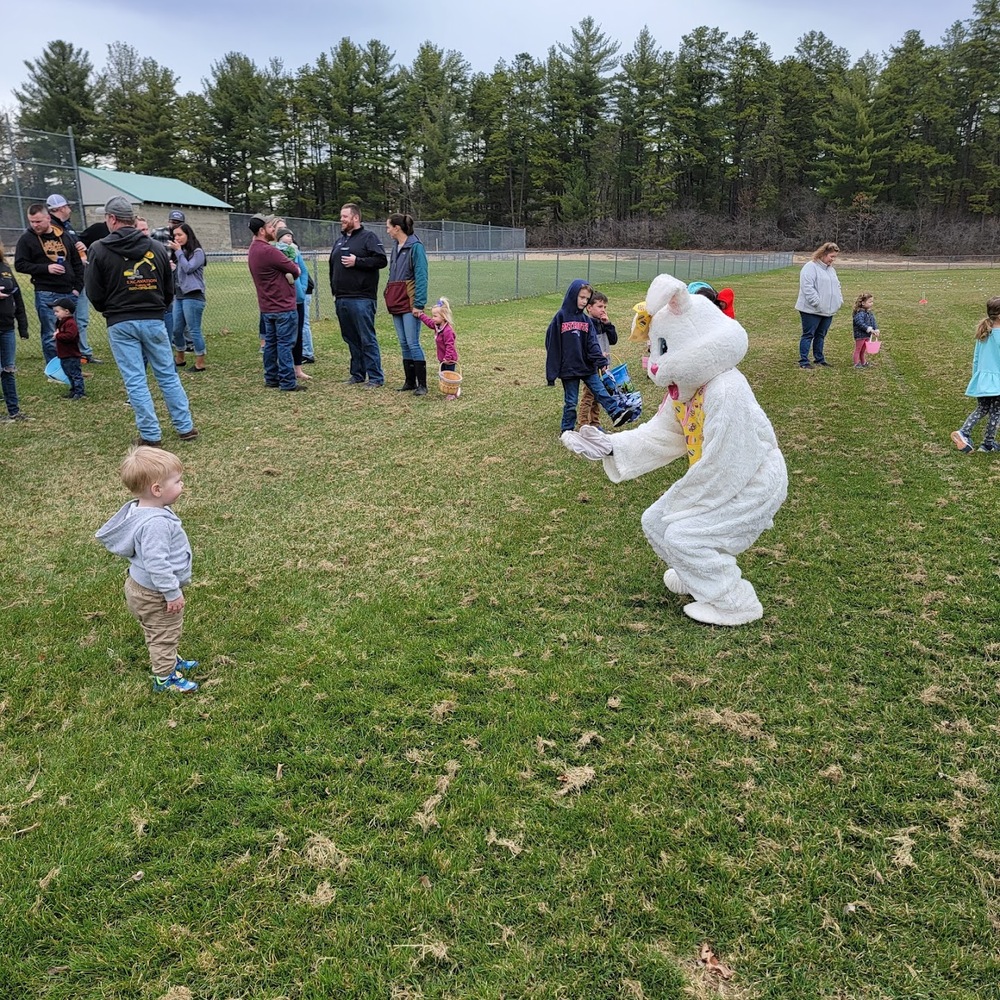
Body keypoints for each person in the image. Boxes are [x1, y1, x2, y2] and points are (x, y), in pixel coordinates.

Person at [86, 195, 198, 446]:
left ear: (112, 219)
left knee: (135, 379)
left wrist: (110, 309)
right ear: (133, 219)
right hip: (154, 319)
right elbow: (169, 288)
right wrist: (157, 307)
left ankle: (150, 435)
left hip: (120, 322)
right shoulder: (157, 248)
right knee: (168, 375)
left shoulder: (99, 249)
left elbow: (94, 290)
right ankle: (185, 427)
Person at [96, 446, 199, 693]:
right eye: (177, 481)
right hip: (156, 593)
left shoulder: (141, 510)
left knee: (156, 629)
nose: (182, 484)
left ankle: (169, 659)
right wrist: (172, 593)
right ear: (157, 489)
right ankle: (165, 678)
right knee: (164, 632)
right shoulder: (156, 524)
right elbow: (157, 563)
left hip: (139, 587)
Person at [545, 279, 637, 433]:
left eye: (587, 298)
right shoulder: (560, 317)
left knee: (601, 391)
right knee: (571, 401)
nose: (584, 301)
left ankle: (617, 413)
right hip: (569, 369)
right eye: (581, 297)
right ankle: (567, 430)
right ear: (572, 295)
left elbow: (592, 344)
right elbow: (552, 345)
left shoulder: (586, 320)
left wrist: (601, 361)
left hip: (588, 367)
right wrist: (552, 373)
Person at [13, 203, 85, 364]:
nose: (34, 225)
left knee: (70, 331)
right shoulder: (27, 239)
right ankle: (55, 370)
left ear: (48, 218)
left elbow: (77, 264)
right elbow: (20, 264)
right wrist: (46, 268)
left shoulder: (64, 236)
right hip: (46, 292)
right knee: (50, 334)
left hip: (69, 292)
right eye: (31, 221)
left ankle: (71, 366)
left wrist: (77, 289)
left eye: (38, 221)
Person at [329, 203, 388, 387]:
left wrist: (358, 261)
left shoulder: (368, 237)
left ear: (355, 218)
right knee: (351, 338)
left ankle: (376, 377)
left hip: (361, 298)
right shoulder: (340, 241)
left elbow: (381, 260)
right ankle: (357, 374)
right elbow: (333, 267)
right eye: (341, 216)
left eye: (345, 216)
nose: (342, 219)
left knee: (366, 338)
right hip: (342, 298)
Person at [248, 214, 304, 392]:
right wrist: (291, 272)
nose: (275, 230)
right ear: (262, 231)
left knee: (271, 343)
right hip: (283, 306)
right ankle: (288, 382)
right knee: (285, 344)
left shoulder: (253, 249)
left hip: (267, 307)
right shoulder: (269, 251)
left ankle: (271, 377)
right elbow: (295, 270)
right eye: (271, 227)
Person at [46, 193, 102, 364]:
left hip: (79, 278)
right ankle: (70, 354)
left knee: (81, 319)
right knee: (64, 319)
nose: (69, 209)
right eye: (67, 206)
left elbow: (74, 249)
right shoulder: (52, 228)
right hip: (66, 282)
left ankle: (83, 352)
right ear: (61, 208)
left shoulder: (67, 226)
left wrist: (81, 248)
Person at [385, 213, 429, 394]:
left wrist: (418, 303)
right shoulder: (396, 247)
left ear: (397, 228)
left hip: (410, 302)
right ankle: (409, 381)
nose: (387, 230)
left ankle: (422, 385)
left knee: (412, 342)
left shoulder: (415, 247)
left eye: (388, 227)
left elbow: (421, 276)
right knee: (403, 343)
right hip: (396, 300)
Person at [951, 296, 1000, 454]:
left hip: (983, 379)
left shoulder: (984, 332)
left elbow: (976, 357)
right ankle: (987, 444)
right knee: (995, 412)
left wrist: (976, 377)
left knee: (982, 408)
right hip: (997, 381)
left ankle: (965, 432)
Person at [795, 241, 843, 369]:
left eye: (834, 257)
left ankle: (819, 358)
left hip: (828, 311)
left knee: (821, 335)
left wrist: (838, 301)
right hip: (811, 310)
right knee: (808, 334)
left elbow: (837, 286)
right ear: (823, 254)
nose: (833, 260)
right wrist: (817, 303)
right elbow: (807, 287)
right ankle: (804, 361)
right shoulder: (810, 267)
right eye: (831, 256)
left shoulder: (831, 270)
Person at [576, 289, 618, 429]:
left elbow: (613, 340)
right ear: (589, 307)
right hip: (592, 367)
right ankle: (583, 424)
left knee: (598, 396)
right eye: (600, 307)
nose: (603, 310)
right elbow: (586, 347)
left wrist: (608, 324)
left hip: (603, 366)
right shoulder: (587, 324)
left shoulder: (603, 323)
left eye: (605, 307)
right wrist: (599, 356)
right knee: (588, 396)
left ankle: (595, 423)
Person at [168, 223, 207, 372]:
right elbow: (180, 272)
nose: (176, 238)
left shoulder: (197, 252)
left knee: (194, 329)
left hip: (193, 296)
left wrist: (178, 253)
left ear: (188, 235)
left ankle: (200, 362)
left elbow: (189, 268)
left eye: (180, 235)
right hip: (179, 296)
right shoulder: (180, 253)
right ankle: (180, 358)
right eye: (175, 235)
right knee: (177, 330)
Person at [275, 227, 312, 383]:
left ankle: (298, 369)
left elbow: (303, 272)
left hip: (298, 299)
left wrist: (302, 289)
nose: (289, 238)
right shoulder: (274, 253)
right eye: (286, 236)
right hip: (282, 300)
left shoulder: (295, 253)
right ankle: (284, 368)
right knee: (283, 337)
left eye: (291, 235)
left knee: (297, 335)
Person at [0, 240, 30, 421]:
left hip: (7, 327)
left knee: (8, 370)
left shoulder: (4, 267)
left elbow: (17, 297)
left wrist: (23, 325)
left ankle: (14, 411)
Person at [414, 296, 459, 399]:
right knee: (443, 374)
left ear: (443, 317)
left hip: (449, 359)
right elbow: (429, 322)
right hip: (442, 358)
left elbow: (450, 345)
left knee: (450, 375)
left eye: (435, 316)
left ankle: (453, 392)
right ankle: (447, 389)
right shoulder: (437, 326)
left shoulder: (447, 331)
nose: (433, 318)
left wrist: (447, 358)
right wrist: (421, 315)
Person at [53, 297, 85, 399]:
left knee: (75, 374)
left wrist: (58, 335)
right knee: (69, 374)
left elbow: (70, 336)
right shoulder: (62, 322)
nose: (55, 314)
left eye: (57, 311)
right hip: (64, 354)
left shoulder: (70, 323)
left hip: (71, 355)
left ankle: (79, 392)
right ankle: (73, 390)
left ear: (67, 311)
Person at [852, 292, 879, 369]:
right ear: (863, 303)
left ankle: (863, 362)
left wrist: (875, 329)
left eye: (872, 301)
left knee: (863, 350)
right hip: (860, 335)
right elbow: (860, 323)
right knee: (858, 349)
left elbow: (873, 321)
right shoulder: (859, 313)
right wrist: (869, 329)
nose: (871, 303)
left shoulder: (869, 313)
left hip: (867, 335)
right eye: (870, 302)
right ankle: (856, 363)